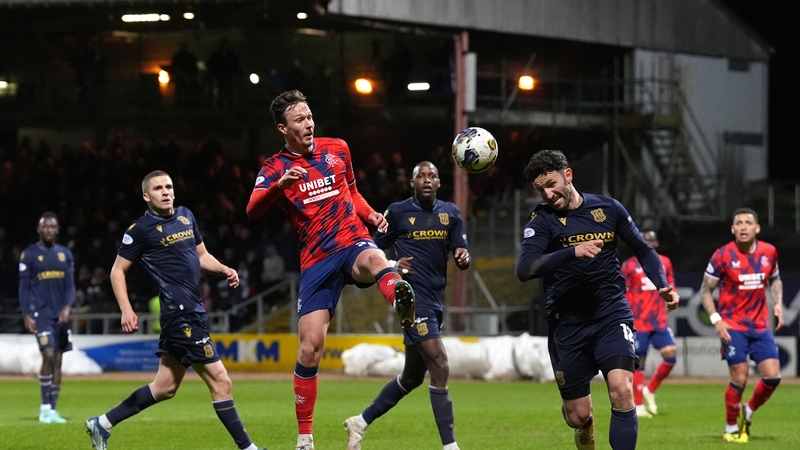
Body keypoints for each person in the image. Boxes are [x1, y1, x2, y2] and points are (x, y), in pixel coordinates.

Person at [246, 89, 415, 450]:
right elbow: (252, 210)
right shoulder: (275, 167)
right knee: (310, 348)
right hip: (316, 260)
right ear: (283, 128)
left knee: (375, 259)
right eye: (299, 120)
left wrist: (370, 215)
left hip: (351, 240)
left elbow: (352, 193)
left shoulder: (337, 148)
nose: (308, 124)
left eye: (309, 117)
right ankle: (305, 437)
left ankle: (399, 297)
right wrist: (279, 187)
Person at [84, 170, 266, 450]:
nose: (166, 191)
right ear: (147, 196)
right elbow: (117, 271)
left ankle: (102, 424)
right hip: (180, 315)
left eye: (169, 186)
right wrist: (126, 309)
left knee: (164, 388)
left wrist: (224, 269)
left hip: (192, 311)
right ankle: (249, 448)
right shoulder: (140, 230)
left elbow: (202, 255)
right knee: (221, 381)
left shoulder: (185, 215)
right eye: (158, 188)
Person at [515, 150, 679, 450]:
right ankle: (586, 425)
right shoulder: (542, 221)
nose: (548, 194)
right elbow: (524, 269)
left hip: (610, 314)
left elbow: (642, 249)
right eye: (541, 190)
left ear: (568, 175)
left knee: (621, 389)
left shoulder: (608, 208)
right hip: (567, 323)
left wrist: (662, 285)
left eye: (551, 184)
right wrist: (572, 251)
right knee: (577, 416)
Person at [343, 161, 469, 450]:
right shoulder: (397, 212)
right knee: (440, 363)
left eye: (432, 176)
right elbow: (370, 250)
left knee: (412, 377)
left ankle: (359, 423)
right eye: (421, 176)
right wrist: (392, 264)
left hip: (436, 302)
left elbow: (462, 254)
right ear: (412, 183)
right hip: (411, 301)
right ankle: (450, 446)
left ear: (439, 183)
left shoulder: (451, 214)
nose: (427, 180)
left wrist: (464, 257)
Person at [699, 207, 783, 443]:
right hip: (732, 326)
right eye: (739, 223)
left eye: (748, 222)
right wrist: (716, 320)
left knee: (773, 378)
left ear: (757, 228)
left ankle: (748, 410)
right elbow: (706, 291)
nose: (743, 226)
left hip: (760, 325)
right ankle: (730, 427)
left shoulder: (769, 252)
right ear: (733, 229)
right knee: (740, 378)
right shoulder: (723, 255)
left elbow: (775, 279)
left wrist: (778, 303)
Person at [18, 212, 75, 424]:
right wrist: (26, 313)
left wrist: (67, 307)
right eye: (45, 226)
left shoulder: (65, 254)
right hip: (41, 314)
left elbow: (70, 285)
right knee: (48, 354)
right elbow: (23, 288)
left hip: (60, 316)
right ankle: (44, 408)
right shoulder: (30, 255)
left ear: (57, 230)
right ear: (39, 230)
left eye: (52, 226)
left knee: (58, 360)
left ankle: (52, 410)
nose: (49, 230)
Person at [620, 230, 677, 418]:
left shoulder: (665, 262)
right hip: (639, 321)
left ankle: (649, 390)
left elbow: (670, 286)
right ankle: (638, 405)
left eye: (652, 240)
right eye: (645, 241)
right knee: (639, 362)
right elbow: (623, 292)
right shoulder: (629, 266)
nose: (649, 243)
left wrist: (670, 300)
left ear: (657, 243)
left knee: (671, 356)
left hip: (658, 319)